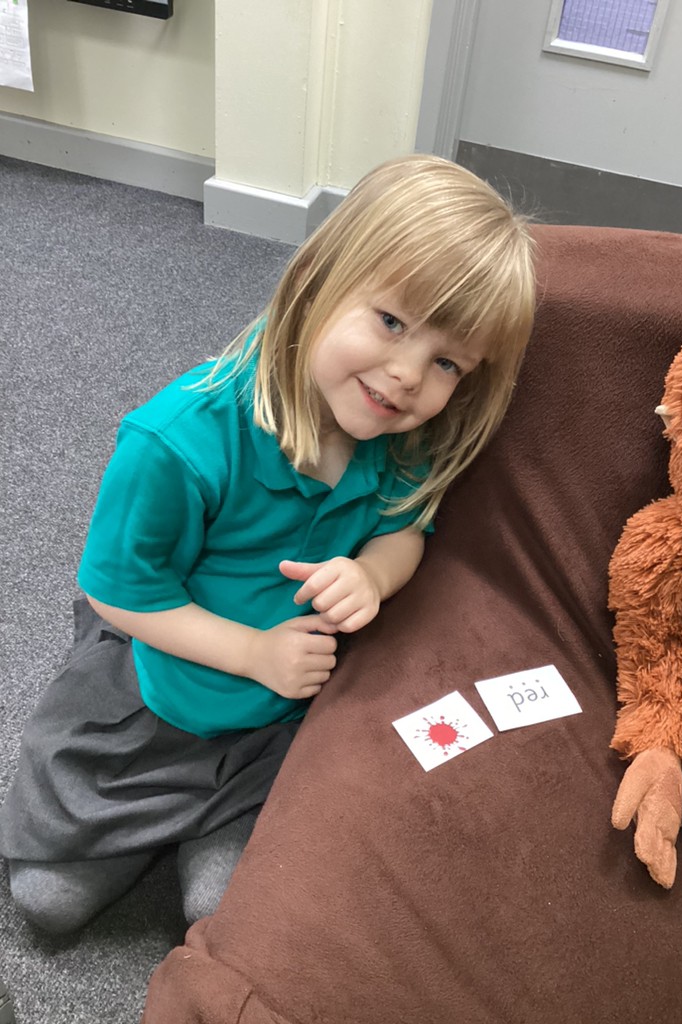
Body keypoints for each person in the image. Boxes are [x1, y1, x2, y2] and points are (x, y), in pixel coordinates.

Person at [0, 154, 536, 934]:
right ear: (319, 281)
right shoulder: (176, 440)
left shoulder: (404, 437)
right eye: (391, 321)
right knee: (47, 903)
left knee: (225, 909)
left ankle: (210, 818)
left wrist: (372, 575)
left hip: (277, 727)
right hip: (159, 693)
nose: (404, 377)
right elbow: (119, 593)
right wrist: (254, 654)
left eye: (446, 362)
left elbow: (405, 531)